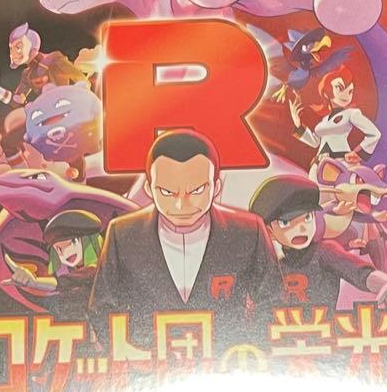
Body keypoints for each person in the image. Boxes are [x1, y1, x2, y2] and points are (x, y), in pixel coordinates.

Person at [88, 130, 282, 346]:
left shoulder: (248, 231)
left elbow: (273, 301)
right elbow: (102, 307)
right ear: (148, 189)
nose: (181, 205)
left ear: (216, 187)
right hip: (148, 359)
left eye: (197, 190)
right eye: (167, 192)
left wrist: (245, 350)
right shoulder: (122, 234)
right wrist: (132, 353)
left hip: (228, 358)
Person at [249, 174, 387, 308]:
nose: (302, 228)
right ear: (269, 230)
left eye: (307, 218)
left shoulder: (323, 251)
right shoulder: (265, 260)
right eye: (286, 222)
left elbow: (359, 272)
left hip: (320, 339)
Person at [2, 209, 104, 324]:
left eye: (72, 242)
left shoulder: (98, 268)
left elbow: (66, 281)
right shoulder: (81, 274)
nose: (63, 253)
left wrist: (35, 282)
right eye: (58, 249)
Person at [289, 65, 379, 165]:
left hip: (341, 162)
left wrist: (358, 153)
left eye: (350, 91)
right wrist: (298, 125)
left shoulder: (351, 114)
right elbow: (315, 143)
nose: (346, 95)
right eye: (340, 88)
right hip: (319, 163)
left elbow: (374, 134)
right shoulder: (324, 120)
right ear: (326, 91)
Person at [0, 23, 86, 108]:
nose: (12, 54)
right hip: (49, 115)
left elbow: (80, 79)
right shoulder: (27, 74)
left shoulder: (54, 59)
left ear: (33, 45)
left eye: (18, 47)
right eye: (11, 49)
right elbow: (17, 100)